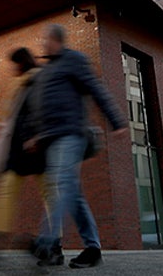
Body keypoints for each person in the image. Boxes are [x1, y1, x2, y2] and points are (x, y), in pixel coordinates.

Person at [26, 24, 128, 269]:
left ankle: (46, 240)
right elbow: (40, 106)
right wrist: (34, 134)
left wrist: (117, 121)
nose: (43, 44)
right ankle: (92, 249)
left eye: (46, 39)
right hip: (52, 138)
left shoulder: (74, 60)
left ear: (56, 40)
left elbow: (96, 89)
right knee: (73, 193)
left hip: (71, 134)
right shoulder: (47, 68)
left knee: (61, 184)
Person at [0, 47, 45, 260]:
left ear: (21, 63)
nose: (13, 69)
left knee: (48, 194)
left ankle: (47, 242)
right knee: (7, 194)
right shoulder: (24, 83)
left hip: (33, 146)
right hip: (21, 147)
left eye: (15, 64)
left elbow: (40, 110)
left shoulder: (36, 80)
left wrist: (37, 136)